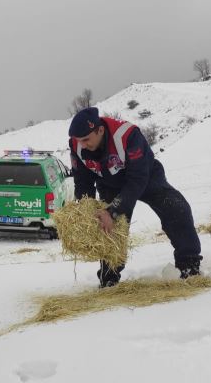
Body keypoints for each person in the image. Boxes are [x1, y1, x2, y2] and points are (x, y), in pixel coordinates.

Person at [68, 107, 202, 288]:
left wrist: (113, 210)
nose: (82, 144)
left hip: (145, 177)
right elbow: (82, 182)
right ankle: (109, 279)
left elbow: (137, 180)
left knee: (176, 208)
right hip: (108, 183)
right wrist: (86, 210)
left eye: (86, 139)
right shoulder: (77, 145)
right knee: (109, 227)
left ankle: (189, 266)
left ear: (100, 130)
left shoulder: (128, 135)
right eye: (79, 140)